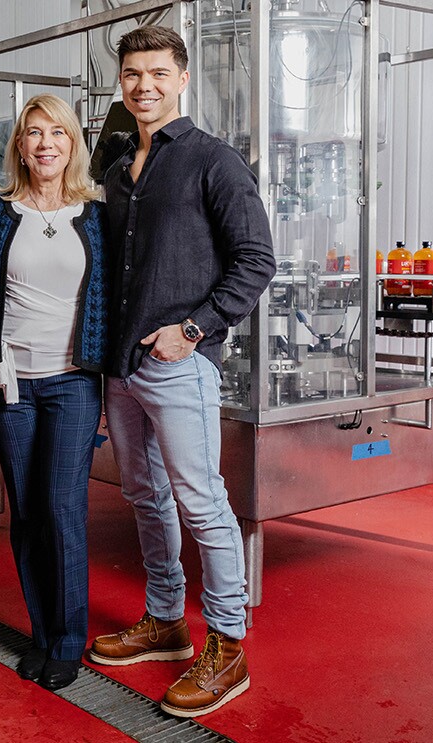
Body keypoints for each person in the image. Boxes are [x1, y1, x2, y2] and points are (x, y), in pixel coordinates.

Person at [85, 25, 275, 720]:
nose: (143, 85)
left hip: (177, 363)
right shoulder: (117, 170)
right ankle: (165, 618)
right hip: (124, 367)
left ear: (181, 77)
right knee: (145, 494)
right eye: (133, 74)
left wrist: (193, 330)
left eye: (157, 73)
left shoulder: (212, 161)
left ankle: (228, 644)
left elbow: (256, 259)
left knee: (202, 501)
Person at [0, 94, 108, 692]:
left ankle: (67, 641)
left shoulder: (97, 215)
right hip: (9, 384)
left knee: (61, 509)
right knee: (27, 510)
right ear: (20, 147)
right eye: (34, 133)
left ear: (72, 143)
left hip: (73, 381)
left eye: (57, 132)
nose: (45, 143)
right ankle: (42, 632)